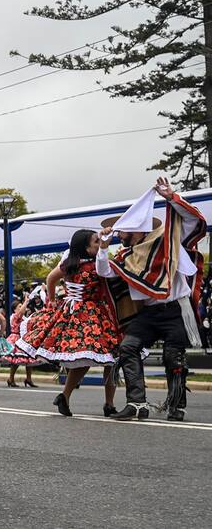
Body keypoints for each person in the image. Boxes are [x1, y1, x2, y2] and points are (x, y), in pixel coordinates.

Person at [97, 177, 206, 421]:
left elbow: (192, 220)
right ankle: (137, 404)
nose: (117, 234)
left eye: (121, 229)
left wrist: (171, 197)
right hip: (149, 313)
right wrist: (103, 248)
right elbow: (105, 271)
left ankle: (176, 405)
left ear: (135, 228)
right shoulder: (127, 256)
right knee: (128, 348)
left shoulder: (166, 243)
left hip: (175, 309)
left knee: (173, 357)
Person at [16, 230, 120, 417]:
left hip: (72, 311)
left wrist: (53, 300)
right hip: (92, 315)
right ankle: (108, 404)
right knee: (109, 359)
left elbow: (50, 279)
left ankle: (66, 396)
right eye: (96, 242)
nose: (99, 244)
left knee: (84, 361)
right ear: (86, 248)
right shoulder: (97, 266)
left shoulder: (69, 264)